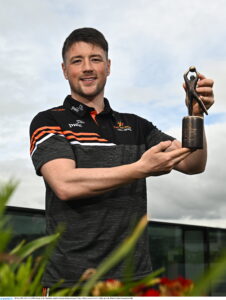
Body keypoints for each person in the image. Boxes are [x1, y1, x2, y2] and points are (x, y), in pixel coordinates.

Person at [29, 27, 214, 294]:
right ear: (64, 69)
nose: (87, 68)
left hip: (134, 280)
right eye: (77, 60)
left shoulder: (137, 126)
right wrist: (141, 168)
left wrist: (195, 114)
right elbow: (65, 184)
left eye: (95, 59)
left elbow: (193, 163)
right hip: (70, 284)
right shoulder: (48, 121)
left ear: (108, 66)